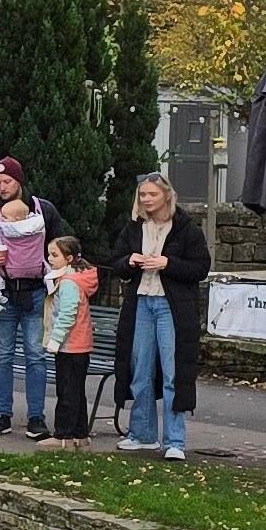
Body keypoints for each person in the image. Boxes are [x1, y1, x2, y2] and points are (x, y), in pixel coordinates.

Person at [0, 151, 63, 436]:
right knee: (3, 355)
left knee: (35, 355)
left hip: (34, 292)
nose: (2, 187)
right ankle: (2, 414)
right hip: (4, 293)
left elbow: (61, 244)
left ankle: (36, 417)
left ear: (18, 181)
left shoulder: (43, 210)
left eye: (7, 181)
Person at [117, 172, 211, 458]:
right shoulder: (134, 228)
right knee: (140, 370)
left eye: (151, 195)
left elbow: (200, 268)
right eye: (143, 195)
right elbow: (115, 262)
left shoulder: (186, 229)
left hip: (172, 307)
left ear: (166, 196)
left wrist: (168, 263)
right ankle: (142, 434)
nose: (146, 200)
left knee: (173, 373)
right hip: (142, 303)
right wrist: (129, 262)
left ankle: (175, 442)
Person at [44, 236, 97, 443]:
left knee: (66, 391)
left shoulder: (68, 283)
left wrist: (55, 340)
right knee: (76, 391)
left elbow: (67, 314)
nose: (50, 259)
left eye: (55, 255)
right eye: (49, 254)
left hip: (70, 346)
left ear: (69, 258)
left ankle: (63, 435)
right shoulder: (73, 280)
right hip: (78, 346)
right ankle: (80, 434)